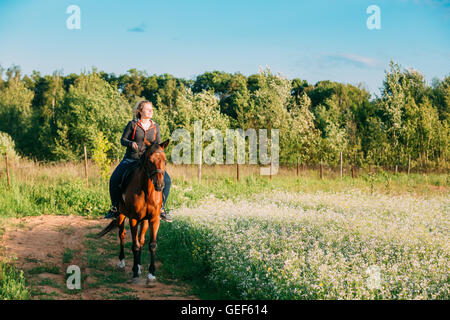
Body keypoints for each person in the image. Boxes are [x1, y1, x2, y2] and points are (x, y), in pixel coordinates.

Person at [104, 100, 172, 222]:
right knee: (114, 178)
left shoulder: (155, 126)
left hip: (148, 162)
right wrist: (131, 143)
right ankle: (115, 208)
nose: (151, 111)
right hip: (131, 159)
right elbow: (122, 140)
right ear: (140, 111)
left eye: (152, 109)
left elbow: (158, 145)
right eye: (148, 109)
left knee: (167, 180)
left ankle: (162, 209)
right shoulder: (132, 124)